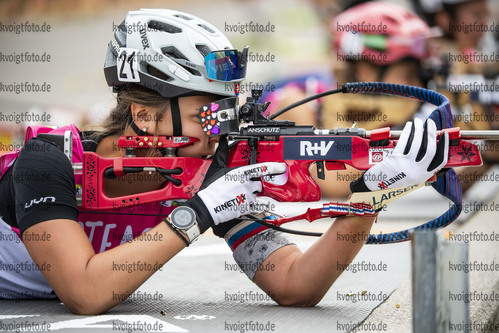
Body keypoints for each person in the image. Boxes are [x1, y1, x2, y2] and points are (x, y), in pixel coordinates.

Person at [0, 8, 449, 314]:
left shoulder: (209, 170)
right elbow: (84, 292)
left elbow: (295, 284)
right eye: (206, 115)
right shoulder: (49, 162)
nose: (220, 129)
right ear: (144, 115)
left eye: (226, 112)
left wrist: (369, 199)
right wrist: (198, 213)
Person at [264, 1, 437, 198]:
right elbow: (330, 184)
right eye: (408, 76)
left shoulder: (396, 118)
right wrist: (398, 155)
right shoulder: (298, 105)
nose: (419, 88)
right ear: (366, 71)